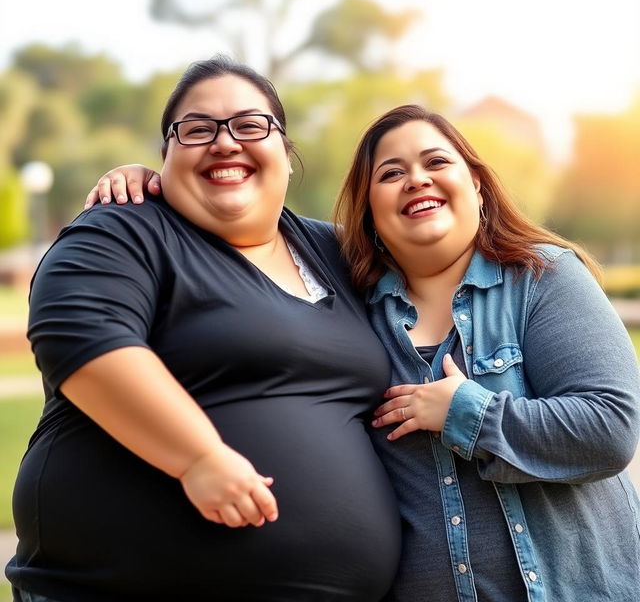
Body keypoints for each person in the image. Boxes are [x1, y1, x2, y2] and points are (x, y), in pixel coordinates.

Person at [91, 103, 640, 602]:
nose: (415, 180)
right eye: (391, 173)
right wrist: (157, 188)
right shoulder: (346, 303)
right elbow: (249, 219)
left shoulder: (541, 278)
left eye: (435, 162)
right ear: (370, 208)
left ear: (475, 185)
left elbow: (611, 430)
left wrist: (464, 412)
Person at [6, 57, 402, 602]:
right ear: (164, 157)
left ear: (285, 153)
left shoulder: (339, 252)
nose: (224, 143)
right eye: (196, 130)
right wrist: (198, 457)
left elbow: (442, 256)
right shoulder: (123, 229)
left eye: (249, 125)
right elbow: (80, 336)